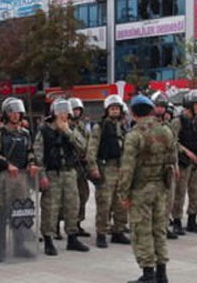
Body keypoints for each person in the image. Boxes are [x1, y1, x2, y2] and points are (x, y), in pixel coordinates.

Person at [120, 95, 176, 283]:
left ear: (134, 112)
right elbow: (172, 160)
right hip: (161, 188)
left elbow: (128, 168)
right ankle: (162, 274)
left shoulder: (134, 135)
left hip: (140, 190)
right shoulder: (166, 131)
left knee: (142, 231)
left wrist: (123, 194)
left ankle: (148, 275)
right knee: (159, 230)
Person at [34, 99, 90, 256]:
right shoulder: (44, 131)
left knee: (73, 205)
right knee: (50, 208)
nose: (64, 115)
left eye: (67, 112)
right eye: (61, 112)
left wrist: (68, 132)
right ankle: (48, 240)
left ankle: (72, 237)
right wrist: (42, 176)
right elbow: (38, 156)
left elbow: (83, 147)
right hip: (52, 174)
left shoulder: (71, 129)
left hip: (70, 173)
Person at [0, 98, 39, 261]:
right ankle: (0, 248)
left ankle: (20, 245)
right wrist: (6, 164)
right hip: (5, 177)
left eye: (18, 112)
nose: (15, 115)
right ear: (5, 114)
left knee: (21, 211)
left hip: (22, 177)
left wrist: (31, 164)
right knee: (2, 212)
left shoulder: (25, 133)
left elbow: (30, 151)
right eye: (12, 112)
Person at [86, 94, 131, 248]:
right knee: (104, 203)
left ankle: (118, 231)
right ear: (107, 110)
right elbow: (92, 149)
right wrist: (93, 168)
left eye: (117, 108)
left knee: (121, 203)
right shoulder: (100, 127)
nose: (114, 111)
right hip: (106, 168)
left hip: (121, 168)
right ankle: (101, 233)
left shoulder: (123, 127)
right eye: (112, 108)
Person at [171, 91, 197, 234]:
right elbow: (172, 142)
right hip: (182, 163)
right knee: (179, 193)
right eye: (196, 105)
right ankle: (177, 221)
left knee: (196, 193)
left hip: (195, 164)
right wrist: (185, 151)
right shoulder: (177, 122)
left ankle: (192, 220)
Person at [151, 92, 179, 240]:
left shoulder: (169, 126)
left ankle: (164, 226)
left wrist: (176, 166)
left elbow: (174, 147)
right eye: (157, 106)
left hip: (167, 168)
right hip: (151, 168)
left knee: (169, 199)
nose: (160, 109)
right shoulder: (146, 125)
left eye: (163, 107)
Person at [68, 97, 91, 238]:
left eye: (78, 109)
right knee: (67, 197)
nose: (76, 112)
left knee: (83, 194)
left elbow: (88, 143)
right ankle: (59, 225)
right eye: (73, 109)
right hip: (69, 165)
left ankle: (77, 223)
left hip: (81, 166)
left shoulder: (82, 127)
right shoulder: (65, 125)